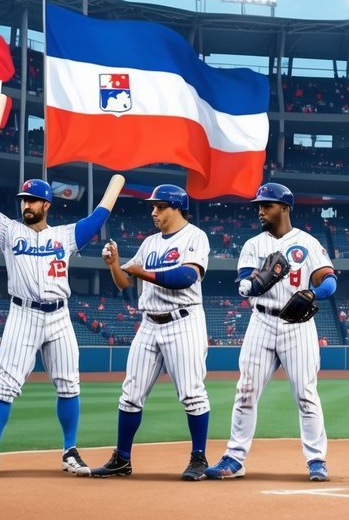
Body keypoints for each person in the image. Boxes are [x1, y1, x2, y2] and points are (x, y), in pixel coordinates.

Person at [0, 150, 121, 478]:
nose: (27, 205)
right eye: (24, 199)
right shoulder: (10, 231)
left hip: (59, 317)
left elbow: (95, 221)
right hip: (22, 315)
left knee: (69, 385)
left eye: (33, 200)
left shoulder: (64, 235)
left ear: (46, 205)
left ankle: (70, 451)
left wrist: (109, 199)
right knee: (6, 385)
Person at [203, 182, 338, 481]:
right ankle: (234, 458)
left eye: (267, 205)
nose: (261, 211)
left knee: (306, 394)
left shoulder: (308, 242)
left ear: (285, 208)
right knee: (246, 391)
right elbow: (246, 280)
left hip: (298, 326)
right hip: (261, 321)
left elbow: (328, 280)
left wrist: (315, 294)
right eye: (259, 206)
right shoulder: (254, 244)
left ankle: (317, 460)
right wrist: (255, 282)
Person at [90, 184, 212, 480]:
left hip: (183, 321)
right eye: (153, 207)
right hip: (149, 323)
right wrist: (114, 266)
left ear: (176, 208)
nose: (154, 212)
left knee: (192, 394)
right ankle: (122, 458)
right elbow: (124, 283)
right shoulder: (149, 243)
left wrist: (140, 272)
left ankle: (199, 458)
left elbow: (186, 276)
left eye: (159, 207)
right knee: (130, 394)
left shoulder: (195, 237)